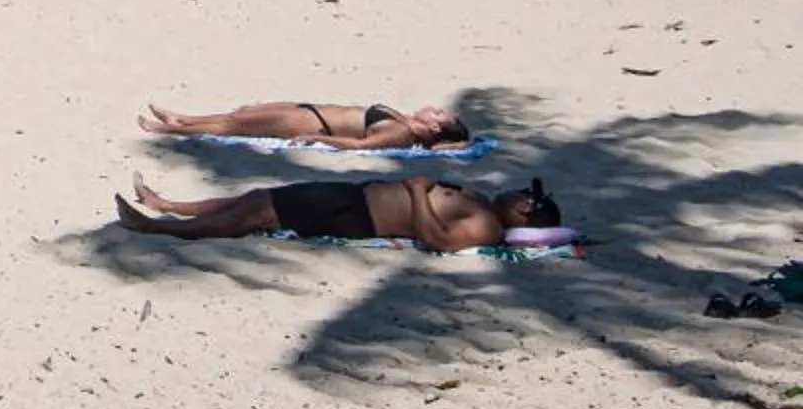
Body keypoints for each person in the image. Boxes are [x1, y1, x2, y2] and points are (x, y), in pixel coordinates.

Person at [114, 174, 558, 249]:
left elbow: (437, 240)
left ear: (526, 214)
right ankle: (169, 206)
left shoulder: (486, 226)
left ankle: (159, 228)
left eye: (526, 196)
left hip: (358, 214)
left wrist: (418, 191)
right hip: (354, 195)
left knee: (258, 214)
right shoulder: (482, 205)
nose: (519, 192)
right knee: (258, 197)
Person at [138, 99, 473, 150]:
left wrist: (315, 137)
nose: (433, 110)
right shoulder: (402, 119)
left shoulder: (400, 132)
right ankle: (183, 119)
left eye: (440, 116)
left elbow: (361, 146)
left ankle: (172, 130)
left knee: (236, 127)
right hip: (313, 109)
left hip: (317, 122)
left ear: (434, 130)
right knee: (241, 114)